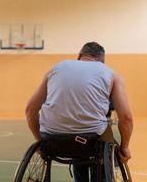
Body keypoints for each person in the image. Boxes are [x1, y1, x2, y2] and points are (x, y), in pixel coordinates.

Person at [26, 42, 133, 181]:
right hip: (89, 141)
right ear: (102, 61)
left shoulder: (55, 69)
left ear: (79, 56)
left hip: (53, 140)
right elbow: (126, 118)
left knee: (79, 144)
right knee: (103, 140)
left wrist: (40, 142)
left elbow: (30, 110)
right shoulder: (110, 73)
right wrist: (125, 147)